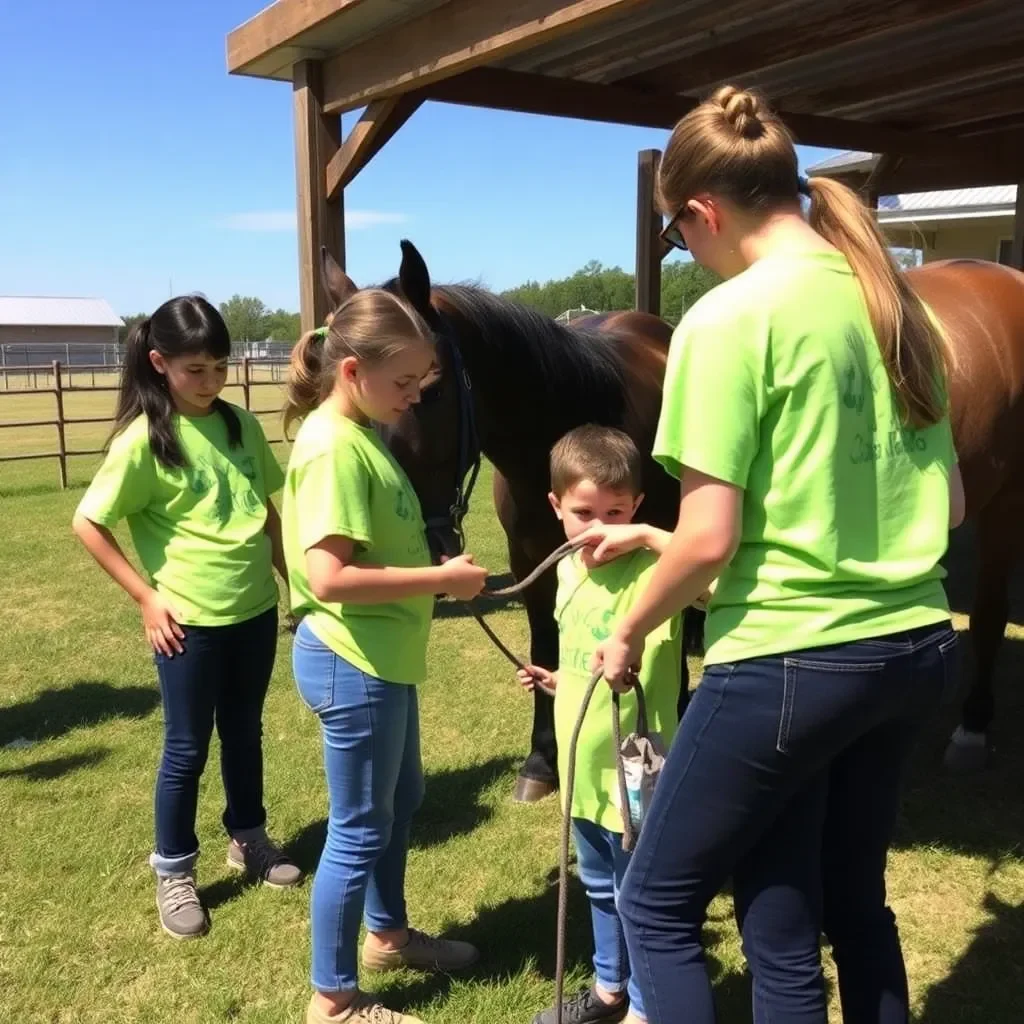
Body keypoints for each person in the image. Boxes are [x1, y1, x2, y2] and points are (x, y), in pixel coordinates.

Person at [591, 86, 966, 1024]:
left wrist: (628, 620)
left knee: (656, 902)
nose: (690, 252)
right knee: (821, 905)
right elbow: (951, 504)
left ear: (704, 212)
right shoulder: (896, 304)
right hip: (916, 646)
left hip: (789, 662)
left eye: (680, 236)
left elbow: (713, 543)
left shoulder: (727, 320)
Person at [281, 288, 489, 1024]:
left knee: (401, 804)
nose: (411, 398)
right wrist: (440, 579)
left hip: (383, 656)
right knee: (360, 825)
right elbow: (328, 576)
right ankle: (333, 998)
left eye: (421, 385)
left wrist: (426, 557)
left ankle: (389, 936)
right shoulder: (334, 446)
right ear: (351, 373)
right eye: (402, 383)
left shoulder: (361, 433)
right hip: (353, 660)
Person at [72, 295, 300, 941]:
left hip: (253, 612)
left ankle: (248, 837)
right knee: (185, 748)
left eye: (220, 367)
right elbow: (87, 522)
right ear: (159, 362)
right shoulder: (146, 439)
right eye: (195, 369)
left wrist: (294, 587)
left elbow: (267, 515)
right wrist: (147, 597)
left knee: (245, 731)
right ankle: (174, 870)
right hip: (188, 626)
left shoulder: (240, 426)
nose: (210, 382)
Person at [516, 425, 682, 1024]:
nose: (600, 528)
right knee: (596, 881)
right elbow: (584, 647)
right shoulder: (565, 569)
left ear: (637, 506)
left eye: (617, 512)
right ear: (555, 506)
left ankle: (644, 1003)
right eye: (583, 512)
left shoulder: (654, 566)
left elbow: (719, 579)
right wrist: (559, 681)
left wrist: (649, 536)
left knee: (640, 889)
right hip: (579, 762)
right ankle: (610, 987)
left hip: (637, 761)